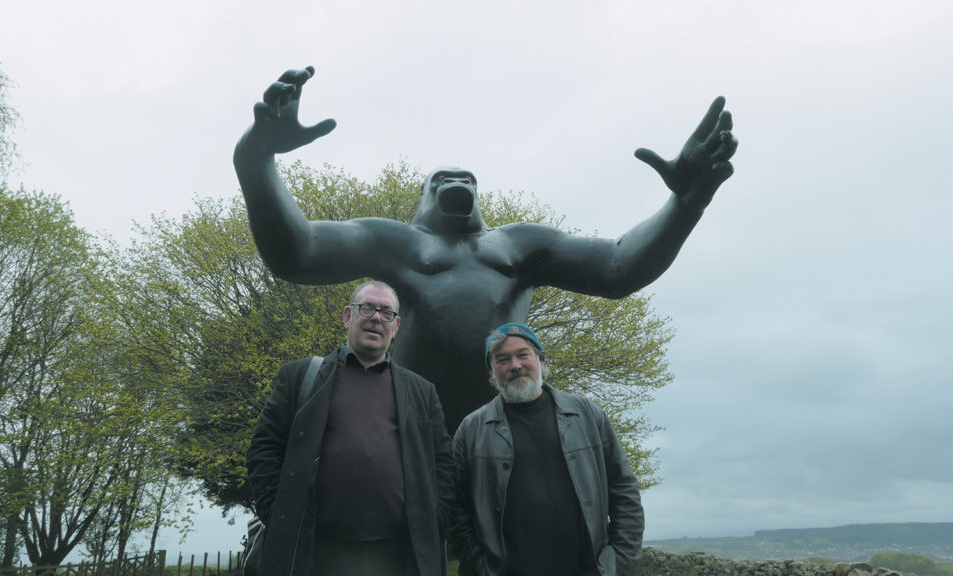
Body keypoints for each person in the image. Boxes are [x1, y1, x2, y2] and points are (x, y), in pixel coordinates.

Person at [233, 66, 738, 432]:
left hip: (505, 421)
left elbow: (617, 267)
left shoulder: (519, 244)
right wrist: (256, 159)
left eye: (468, 178)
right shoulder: (394, 241)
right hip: (406, 423)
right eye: (442, 178)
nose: (457, 181)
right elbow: (296, 254)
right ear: (422, 197)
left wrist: (685, 204)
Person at [246, 280, 454, 576]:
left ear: (395, 328)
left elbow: (443, 464)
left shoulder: (422, 391)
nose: (376, 318)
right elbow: (264, 449)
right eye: (367, 307)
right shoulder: (300, 377)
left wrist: (435, 520)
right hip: (316, 555)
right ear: (348, 316)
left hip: (399, 556)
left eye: (387, 313)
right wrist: (282, 515)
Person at [449, 323, 645, 576]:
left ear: (541, 361)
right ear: (492, 372)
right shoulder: (472, 429)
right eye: (503, 359)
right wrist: (479, 564)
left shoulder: (586, 415)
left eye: (523, 354)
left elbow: (624, 491)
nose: (515, 365)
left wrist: (619, 562)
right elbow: (455, 508)